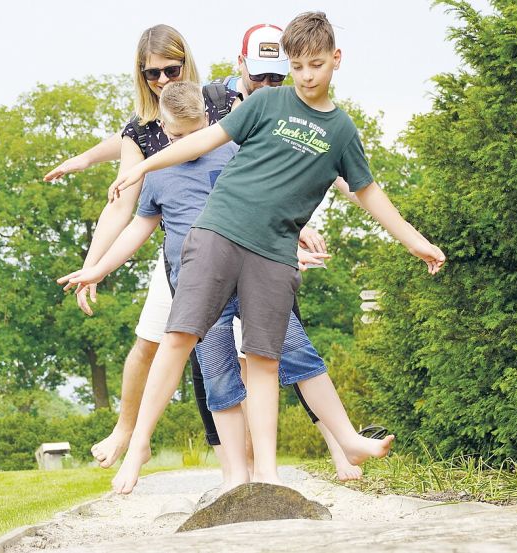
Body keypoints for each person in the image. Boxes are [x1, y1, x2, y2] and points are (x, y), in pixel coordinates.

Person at [86, 11, 446, 495]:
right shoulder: (268, 103)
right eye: (297, 67)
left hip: (274, 250)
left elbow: (368, 192)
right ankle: (136, 450)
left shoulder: (341, 131)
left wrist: (415, 240)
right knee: (178, 337)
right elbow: (208, 137)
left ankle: (268, 474)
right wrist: (141, 169)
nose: (305, 76)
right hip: (219, 232)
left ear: (336, 60)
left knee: (266, 359)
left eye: (314, 65)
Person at [49, 23, 364, 481]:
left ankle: (330, 447)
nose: (162, 80)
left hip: (246, 245)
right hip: (184, 259)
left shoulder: (228, 103)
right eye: (151, 74)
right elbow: (128, 200)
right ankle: (146, 441)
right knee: (165, 345)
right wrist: (93, 264)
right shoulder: (150, 134)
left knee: (282, 348)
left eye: (170, 71)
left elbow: (278, 171)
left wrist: (297, 229)